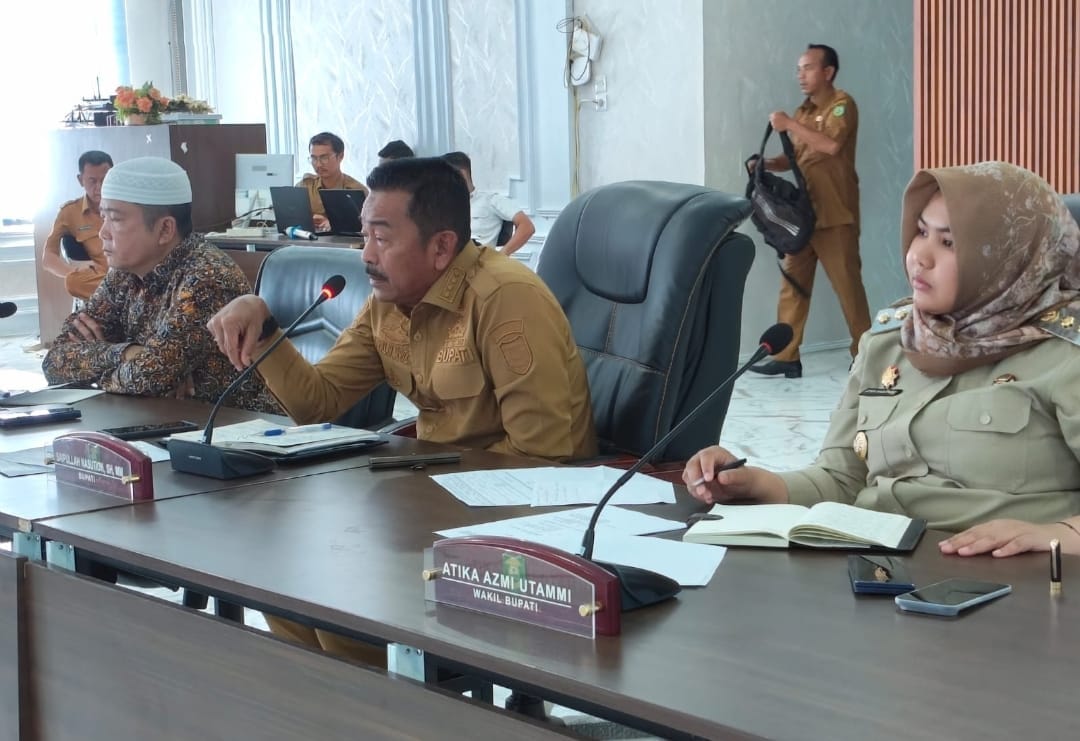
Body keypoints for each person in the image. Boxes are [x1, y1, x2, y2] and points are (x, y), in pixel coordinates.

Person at [208, 157, 596, 719]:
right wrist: (264, 325)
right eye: (365, 234)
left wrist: (421, 502)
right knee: (289, 599)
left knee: (347, 622)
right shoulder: (387, 304)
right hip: (434, 509)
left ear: (441, 247)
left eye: (382, 238)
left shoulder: (506, 299)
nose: (365, 254)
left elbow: (542, 462)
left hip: (514, 526)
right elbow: (318, 401)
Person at [685, 161, 1080, 559]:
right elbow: (840, 479)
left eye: (949, 243)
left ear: (1010, 258)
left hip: (1001, 577)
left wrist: (1055, 534)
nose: (919, 256)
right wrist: (751, 483)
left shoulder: (1063, 355)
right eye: (921, 232)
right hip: (876, 565)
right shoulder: (890, 341)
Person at [42, 157, 276, 412]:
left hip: (230, 427)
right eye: (103, 217)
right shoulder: (124, 274)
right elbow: (54, 362)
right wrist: (127, 353)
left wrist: (103, 367)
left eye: (115, 219)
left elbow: (147, 379)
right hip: (156, 419)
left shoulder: (206, 278)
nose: (103, 232)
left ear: (165, 229)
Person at [748, 43, 871, 379]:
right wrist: (766, 164)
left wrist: (788, 124)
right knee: (793, 285)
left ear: (828, 72)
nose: (800, 75)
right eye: (798, 69)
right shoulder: (802, 113)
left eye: (808, 68)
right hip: (803, 218)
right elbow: (796, 158)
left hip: (835, 217)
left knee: (848, 288)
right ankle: (786, 356)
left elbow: (830, 145)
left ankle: (866, 355)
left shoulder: (842, 105)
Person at [41, 150, 113, 300]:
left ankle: (121, 293)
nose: (99, 187)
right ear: (81, 180)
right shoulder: (70, 212)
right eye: (92, 181)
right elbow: (48, 257)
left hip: (129, 274)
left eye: (104, 180)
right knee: (73, 282)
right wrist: (72, 273)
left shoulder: (127, 207)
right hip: (97, 282)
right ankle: (118, 294)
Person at [441, 151, 535, 257]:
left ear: (461, 174)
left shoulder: (491, 200)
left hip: (480, 261)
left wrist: (501, 256)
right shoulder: (443, 206)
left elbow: (527, 226)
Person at [297, 131, 367, 232]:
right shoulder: (305, 186)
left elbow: (366, 227)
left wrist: (335, 224)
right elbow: (290, 216)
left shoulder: (356, 191)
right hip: (309, 239)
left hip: (343, 241)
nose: (318, 164)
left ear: (340, 156)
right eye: (314, 158)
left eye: (324, 158)